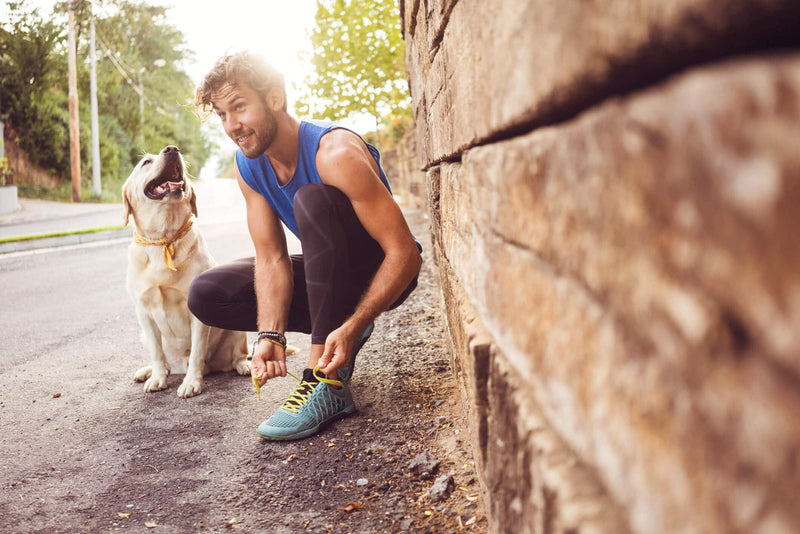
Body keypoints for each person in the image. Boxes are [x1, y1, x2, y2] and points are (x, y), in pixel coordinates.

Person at [189, 51, 422, 441]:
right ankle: (332, 333)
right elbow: (271, 258)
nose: (232, 125)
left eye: (240, 107)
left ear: (275, 98)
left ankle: (324, 382)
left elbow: (406, 255)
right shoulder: (248, 165)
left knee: (311, 200)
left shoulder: (335, 153)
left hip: (380, 272)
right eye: (222, 114)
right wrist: (270, 335)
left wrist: (355, 323)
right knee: (207, 294)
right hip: (329, 272)